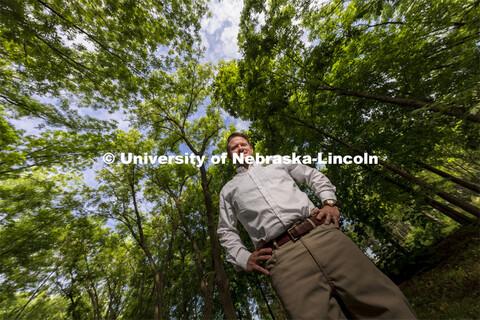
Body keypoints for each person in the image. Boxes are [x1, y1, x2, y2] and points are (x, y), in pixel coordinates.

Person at [217, 132, 417, 319]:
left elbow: (313, 176)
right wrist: (244, 259)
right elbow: (226, 230)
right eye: (234, 147)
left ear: (251, 149)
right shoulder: (228, 190)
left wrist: (329, 202)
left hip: (324, 235)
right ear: (229, 156)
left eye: (243, 144)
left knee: (382, 301)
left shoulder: (277, 162)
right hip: (284, 259)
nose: (240, 148)